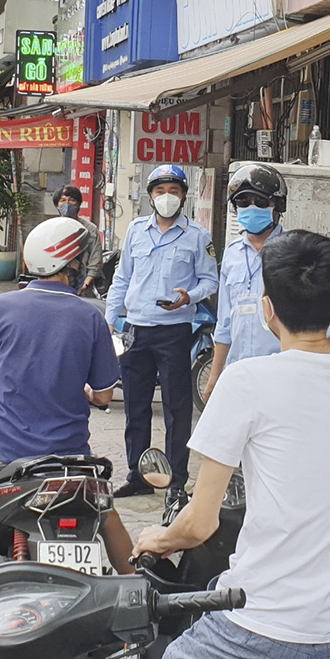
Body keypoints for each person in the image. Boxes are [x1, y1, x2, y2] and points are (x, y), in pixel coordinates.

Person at [132, 230, 330, 659]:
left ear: (267, 310)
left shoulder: (247, 381)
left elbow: (200, 525)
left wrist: (156, 539)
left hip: (259, 628)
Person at [0, 216, 125, 607]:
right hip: (69, 458)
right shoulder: (91, 318)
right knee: (107, 517)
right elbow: (102, 395)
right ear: (73, 265)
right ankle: (142, 603)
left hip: (0, 453)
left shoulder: (5, 306)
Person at [105, 162, 217, 508]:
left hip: (175, 332)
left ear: (183, 197)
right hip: (136, 331)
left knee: (176, 409)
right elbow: (122, 278)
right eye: (160, 191)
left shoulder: (198, 236)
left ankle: (176, 483)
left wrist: (190, 297)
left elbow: (210, 281)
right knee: (135, 407)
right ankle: (138, 476)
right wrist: (109, 319)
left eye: (173, 191)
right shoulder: (137, 230)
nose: (166, 197)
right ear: (150, 196)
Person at [203, 161, 330, 400]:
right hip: (239, 376)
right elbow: (224, 325)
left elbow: (326, 328)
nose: (251, 208)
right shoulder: (232, 254)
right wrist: (215, 376)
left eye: (261, 202)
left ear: (278, 206)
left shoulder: (296, 252)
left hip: (284, 379)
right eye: (243, 203)